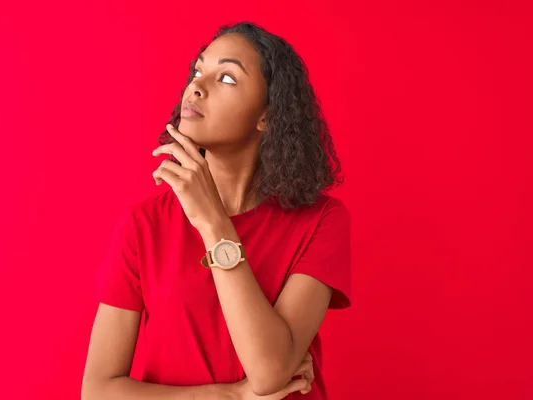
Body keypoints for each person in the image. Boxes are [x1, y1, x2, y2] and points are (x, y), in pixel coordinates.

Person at [82, 21, 352, 400]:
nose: (196, 86)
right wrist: (232, 396)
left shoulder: (321, 220)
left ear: (267, 116)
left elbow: (270, 371)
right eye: (198, 70)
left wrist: (212, 223)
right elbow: (97, 391)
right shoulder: (144, 224)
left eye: (226, 78)